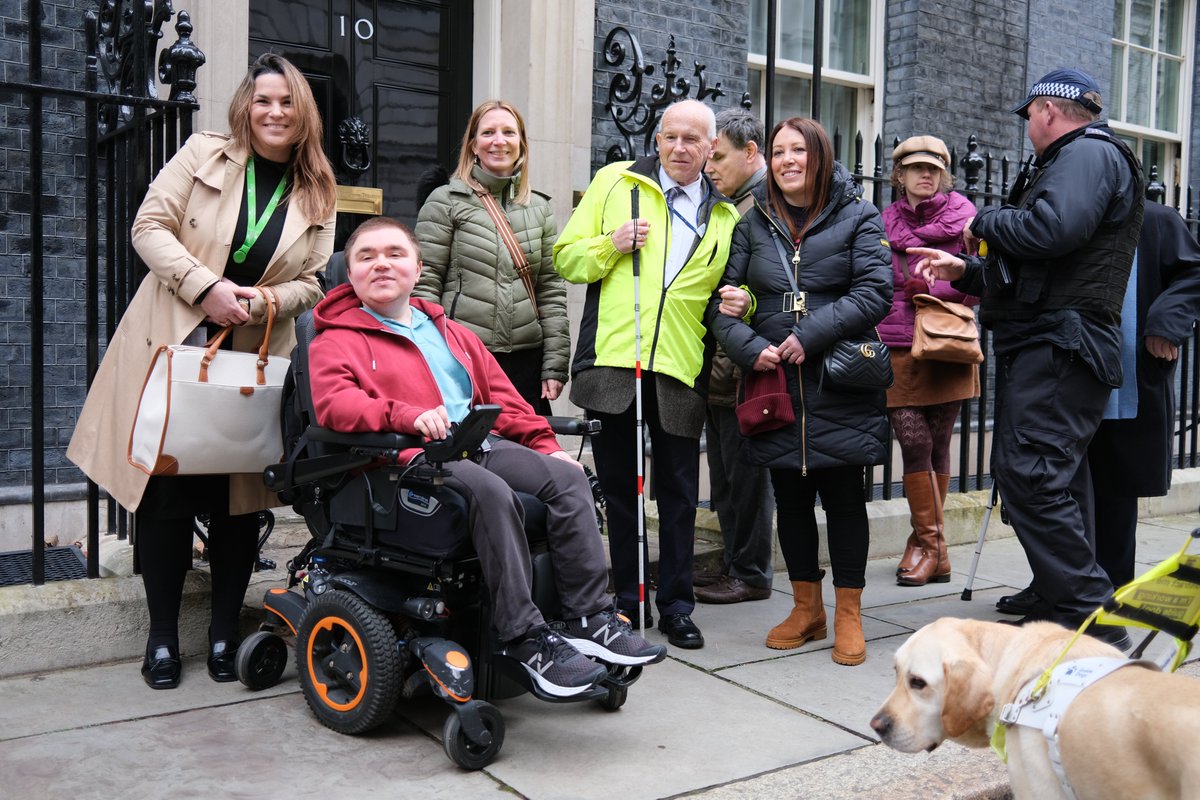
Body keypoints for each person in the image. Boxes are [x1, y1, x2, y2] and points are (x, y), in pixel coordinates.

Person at [67, 53, 339, 689]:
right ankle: (161, 638)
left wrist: (266, 301)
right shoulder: (202, 154)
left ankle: (224, 632)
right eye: (263, 100)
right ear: (246, 106)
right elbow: (148, 226)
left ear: (304, 115)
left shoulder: (317, 188)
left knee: (237, 504)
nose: (274, 112)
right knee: (163, 497)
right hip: (174, 340)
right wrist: (204, 285)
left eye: (287, 103)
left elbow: (316, 281)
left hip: (250, 356)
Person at [307, 217, 666, 698]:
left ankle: (590, 618)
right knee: (491, 494)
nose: (381, 264)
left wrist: (547, 446)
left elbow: (505, 399)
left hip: (477, 444)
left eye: (394, 253)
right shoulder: (334, 338)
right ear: (349, 275)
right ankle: (525, 637)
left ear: (417, 269)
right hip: (410, 459)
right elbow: (335, 406)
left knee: (569, 479)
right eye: (366, 257)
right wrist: (406, 415)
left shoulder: (451, 332)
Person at [910, 68, 1145, 650]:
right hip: (1051, 340)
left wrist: (980, 222)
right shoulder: (1075, 161)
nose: (1029, 128)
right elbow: (1040, 265)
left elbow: (1054, 229)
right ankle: (1057, 593)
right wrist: (967, 269)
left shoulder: (1088, 155)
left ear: (1047, 110)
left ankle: (1091, 614)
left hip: (1061, 344)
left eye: (1031, 115)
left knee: (1033, 477)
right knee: (1057, 478)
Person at [553, 99, 740, 649]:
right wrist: (609, 246)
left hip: (681, 368)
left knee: (679, 492)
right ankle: (627, 601)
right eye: (670, 137)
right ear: (657, 140)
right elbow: (566, 258)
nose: (679, 148)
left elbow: (738, 292)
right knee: (619, 487)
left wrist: (743, 299)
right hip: (615, 362)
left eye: (692, 140)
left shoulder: (725, 216)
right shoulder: (615, 183)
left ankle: (677, 605)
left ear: (710, 149)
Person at [707, 117, 892, 665]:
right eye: (780, 151)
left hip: (838, 378)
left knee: (843, 499)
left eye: (799, 150)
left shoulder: (860, 216)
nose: (788, 160)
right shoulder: (752, 222)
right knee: (789, 497)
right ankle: (806, 608)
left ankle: (849, 614)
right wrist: (746, 345)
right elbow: (724, 302)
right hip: (776, 382)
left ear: (820, 156)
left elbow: (876, 292)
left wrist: (806, 335)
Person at [997, 200, 1200, 616]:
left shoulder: (1157, 219)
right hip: (1059, 379)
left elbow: (1194, 274)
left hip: (1123, 381)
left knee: (1114, 493)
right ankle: (1053, 587)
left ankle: (1110, 597)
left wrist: (1166, 323)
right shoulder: (1064, 218)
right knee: (1050, 492)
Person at [414, 100, 568, 414]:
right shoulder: (445, 200)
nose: (499, 141)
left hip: (526, 360)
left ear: (521, 144)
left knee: (529, 453)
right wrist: (429, 355)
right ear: (473, 145)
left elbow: (550, 290)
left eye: (508, 132)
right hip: (463, 355)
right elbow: (424, 285)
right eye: (488, 133)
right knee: (475, 454)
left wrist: (554, 363)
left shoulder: (539, 207)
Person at [877, 135, 979, 588]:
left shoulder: (966, 221)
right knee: (912, 441)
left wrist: (935, 285)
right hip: (898, 346)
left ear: (944, 175)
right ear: (899, 175)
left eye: (933, 169)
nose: (924, 175)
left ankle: (925, 546)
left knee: (938, 444)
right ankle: (934, 548)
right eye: (915, 168)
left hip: (946, 344)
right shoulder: (882, 222)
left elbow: (979, 285)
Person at [693, 108, 775, 604]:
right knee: (725, 477)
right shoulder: (732, 201)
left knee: (747, 479)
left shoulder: (766, 207)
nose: (708, 168)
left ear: (750, 152)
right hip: (719, 365)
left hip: (746, 366)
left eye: (717, 157)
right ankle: (734, 563)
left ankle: (752, 573)